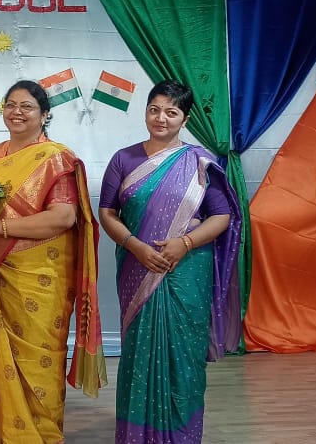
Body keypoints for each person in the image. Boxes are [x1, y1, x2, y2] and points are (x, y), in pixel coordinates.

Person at [0, 80, 106, 443]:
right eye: (11, 105)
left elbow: (63, 217)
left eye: (27, 107)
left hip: (41, 277)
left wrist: (0, 226)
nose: (17, 112)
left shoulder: (56, 158)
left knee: (39, 361)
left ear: (44, 115)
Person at [97, 80, 241, 443]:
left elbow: (222, 216)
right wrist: (135, 246)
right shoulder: (124, 159)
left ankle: (181, 436)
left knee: (183, 358)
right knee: (139, 355)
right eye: (154, 110)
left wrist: (185, 243)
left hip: (186, 271)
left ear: (185, 119)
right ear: (146, 112)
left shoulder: (199, 162)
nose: (161, 118)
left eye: (171, 112)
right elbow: (107, 212)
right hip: (137, 268)